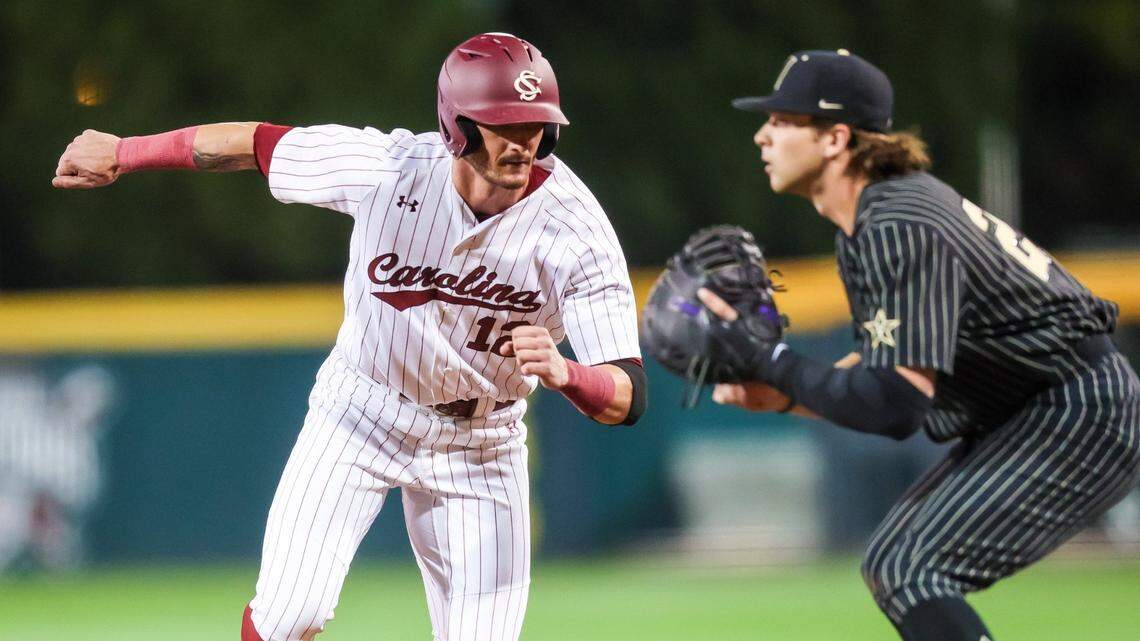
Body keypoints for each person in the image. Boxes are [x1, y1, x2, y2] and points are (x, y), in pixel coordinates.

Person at [53, 32, 647, 641]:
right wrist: (125, 151)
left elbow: (629, 395)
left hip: (482, 443)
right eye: (504, 124)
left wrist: (569, 374)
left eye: (536, 126)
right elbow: (256, 145)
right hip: (362, 411)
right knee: (291, 614)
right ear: (457, 125)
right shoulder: (387, 168)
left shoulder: (578, 231)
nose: (524, 143)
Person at [704, 49, 1140, 641]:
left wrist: (772, 362)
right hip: (1038, 409)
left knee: (910, 567)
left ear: (835, 138)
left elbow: (894, 405)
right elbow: (880, 380)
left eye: (782, 121)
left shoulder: (897, 221)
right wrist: (778, 392)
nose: (763, 135)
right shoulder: (874, 221)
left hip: (1076, 410)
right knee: (893, 563)